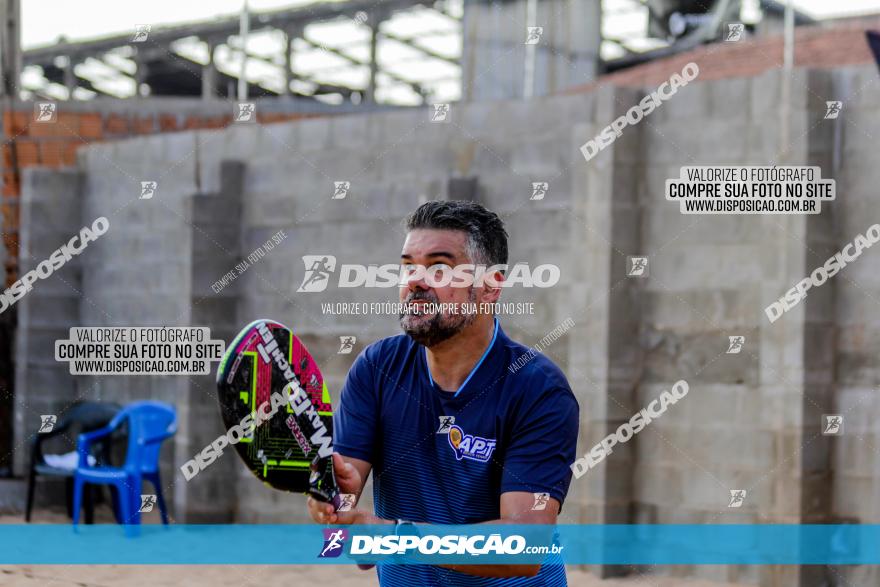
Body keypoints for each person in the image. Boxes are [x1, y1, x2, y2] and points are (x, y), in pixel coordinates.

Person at [308, 200, 579, 586]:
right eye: (407, 266)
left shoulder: (537, 388)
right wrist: (332, 503)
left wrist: (395, 540)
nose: (416, 281)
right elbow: (342, 504)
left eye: (439, 267)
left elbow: (524, 544)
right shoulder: (376, 369)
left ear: (490, 286)